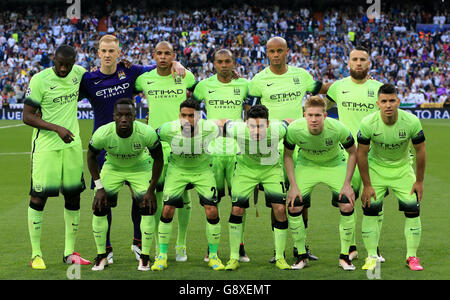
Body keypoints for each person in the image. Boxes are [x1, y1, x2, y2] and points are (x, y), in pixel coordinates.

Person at [79, 35, 186, 264]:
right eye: (103, 50)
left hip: (136, 147)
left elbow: (160, 65)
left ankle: (138, 243)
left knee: (141, 199)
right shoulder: (88, 79)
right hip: (104, 146)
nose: (107, 55)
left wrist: (178, 63)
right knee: (102, 200)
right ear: (98, 53)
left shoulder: (131, 72)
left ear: (119, 53)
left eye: (112, 51)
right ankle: (105, 249)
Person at [247, 36, 327, 264]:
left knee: (302, 197)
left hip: (299, 145)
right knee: (276, 199)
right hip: (270, 146)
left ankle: (300, 246)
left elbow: (322, 92)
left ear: (287, 51)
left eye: (279, 50)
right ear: (266, 53)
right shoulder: (258, 80)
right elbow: (251, 113)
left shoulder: (301, 75)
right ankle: (278, 249)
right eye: (271, 51)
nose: (275, 54)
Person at [22, 45, 91, 269]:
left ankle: (69, 253)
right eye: (60, 63)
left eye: (67, 65)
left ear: (73, 63)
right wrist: (56, 128)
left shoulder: (79, 74)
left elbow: (99, 80)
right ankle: (35, 254)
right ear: (53, 59)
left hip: (71, 147)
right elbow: (27, 116)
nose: (63, 68)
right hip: (46, 148)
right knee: (38, 198)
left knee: (73, 198)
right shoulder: (39, 80)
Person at [135, 41, 196, 263]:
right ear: (153, 55)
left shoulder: (184, 75)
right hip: (155, 143)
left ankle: (181, 244)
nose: (163, 57)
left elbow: (201, 89)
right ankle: (162, 249)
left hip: (182, 142)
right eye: (159, 53)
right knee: (158, 195)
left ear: (173, 55)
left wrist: (179, 64)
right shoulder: (144, 79)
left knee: (184, 194)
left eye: (167, 54)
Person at [87, 98, 163, 271]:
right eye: (120, 115)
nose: (123, 119)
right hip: (113, 167)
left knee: (148, 207)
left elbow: (159, 158)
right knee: (99, 207)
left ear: (135, 116)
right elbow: (91, 157)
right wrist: (99, 187)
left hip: (140, 167)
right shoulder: (102, 133)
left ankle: (144, 256)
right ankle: (102, 256)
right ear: (113, 116)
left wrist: (151, 189)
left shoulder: (147, 132)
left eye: (128, 115)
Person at [357, 84, 426, 271]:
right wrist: (367, 184)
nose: (388, 105)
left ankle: (412, 256)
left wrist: (419, 181)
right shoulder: (368, 123)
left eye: (392, 101)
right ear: (378, 103)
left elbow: (421, 151)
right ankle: (371, 256)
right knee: (370, 209)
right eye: (384, 101)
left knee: (413, 209)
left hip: (402, 170)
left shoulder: (411, 121)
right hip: (376, 169)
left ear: (399, 102)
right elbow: (361, 154)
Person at [283, 96, 357, 270]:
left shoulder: (338, 128)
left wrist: (347, 183)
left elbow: (353, 153)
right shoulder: (294, 129)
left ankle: (345, 256)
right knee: (294, 205)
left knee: (347, 204)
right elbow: (287, 156)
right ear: (304, 114)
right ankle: (301, 256)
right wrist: (293, 185)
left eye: (318, 115)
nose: (314, 119)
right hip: (307, 165)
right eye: (310, 115)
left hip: (334, 165)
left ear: (325, 115)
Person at [326, 45, 385, 262]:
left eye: (362, 59)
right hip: (345, 154)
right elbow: (322, 106)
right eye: (354, 59)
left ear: (369, 63)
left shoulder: (379, 88)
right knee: (346, 202)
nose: (358, 63)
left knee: (374, 203)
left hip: (372, 154)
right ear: (348, 63)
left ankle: (374, 247)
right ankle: (350, 247)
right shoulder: (338, 87)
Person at [151, 99, 224, 271]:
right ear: (179, 116)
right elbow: (152, 136)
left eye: (191, 116)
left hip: (203, 170)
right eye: (183, 115)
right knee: (167, 209)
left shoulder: (210, 129)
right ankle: (162, 256)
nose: (187, 119)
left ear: (198, 116)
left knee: (212, 210)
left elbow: (229, 131)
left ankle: (213, 256)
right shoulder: (169, 129)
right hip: (177, 171)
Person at [193, 49, 250, 263]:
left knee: (239, 203)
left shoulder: (244, 85)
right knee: (211, 203)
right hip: (212, 152)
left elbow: (253, 111)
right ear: (213, 64)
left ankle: (240, 246)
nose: (224, 65)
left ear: (233, 63)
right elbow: (191, 111)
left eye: (227, 61)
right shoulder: (203, 86)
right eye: (219, 61)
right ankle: (211, 247)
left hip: (237, 151)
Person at [220, 104, 293, 271]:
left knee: (280, 209)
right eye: (252, 126)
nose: (256, 131)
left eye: (260, 126)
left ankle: (280, 258)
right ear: (246, 124)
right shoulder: (236, 129)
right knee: (237, 210)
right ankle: (233, 257)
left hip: (271, 170)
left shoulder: (278, 130)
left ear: (268, 124)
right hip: (245, 171)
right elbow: (223, 122)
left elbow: (289, 121)